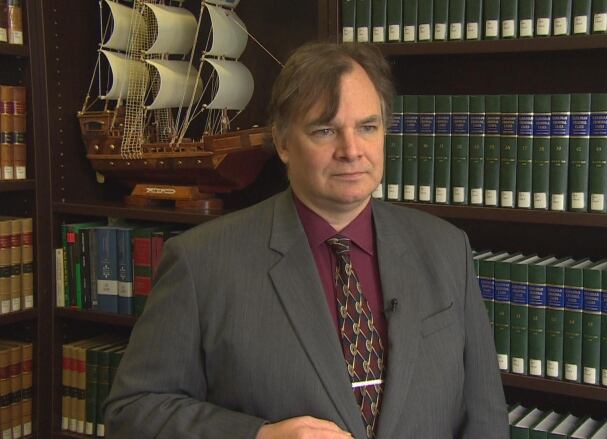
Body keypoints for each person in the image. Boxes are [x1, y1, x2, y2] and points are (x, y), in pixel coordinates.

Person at [104, 41, 508, 439]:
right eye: (325, 130)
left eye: (367, 127)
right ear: (282, 142)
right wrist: (259, 437)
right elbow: (133, 411)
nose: (351, 151)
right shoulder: (200, 262)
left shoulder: (446, 248)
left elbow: (485, 416)